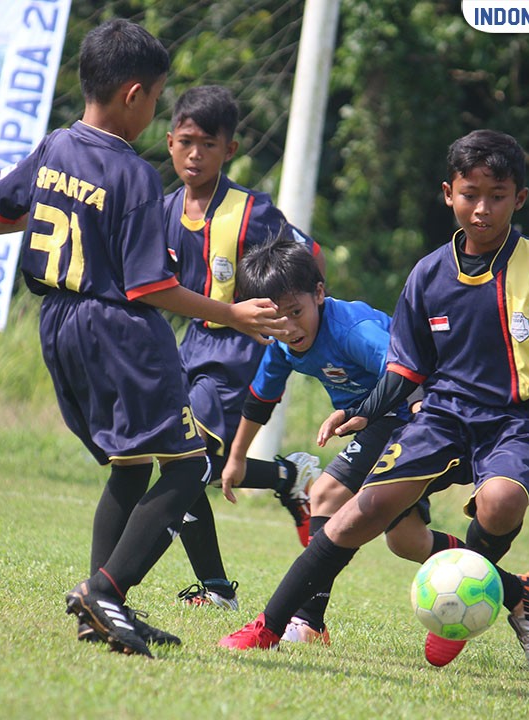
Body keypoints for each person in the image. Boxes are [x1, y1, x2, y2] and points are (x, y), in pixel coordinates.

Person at [220, 129, 529, 669]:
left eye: (497, 195)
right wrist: (364, 409)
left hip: (520, 421)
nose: (482, 208)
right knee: (352, 517)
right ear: (448, 193)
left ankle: (467, 601)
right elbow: (407, 368)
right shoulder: (428, 275)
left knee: (501, 502)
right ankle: (269, 628)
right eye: (470, 194)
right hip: (442, 416)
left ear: (519, 199)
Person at [0, 18, 286, 658]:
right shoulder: (135, 176)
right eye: (155, 101)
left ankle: (104, 601)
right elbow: (150, 288)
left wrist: (67, 219)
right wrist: (234, 315)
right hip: (119, 330)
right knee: (187, 466)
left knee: (130, 465)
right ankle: (105, 592)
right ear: (134, 95)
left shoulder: (55, 146)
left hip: (59, 325)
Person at [221, 233, 468, 644]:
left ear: (319, 293)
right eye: (275, 319)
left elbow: (405, 367)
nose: (287, 326)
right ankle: (515, 587)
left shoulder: (354, 329)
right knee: (407, 541)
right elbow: (262, 396)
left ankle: (308, 622)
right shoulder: (284, 343)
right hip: (378, 421)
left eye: (295, 312)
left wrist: (424, 408)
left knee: (326, 493)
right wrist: (237, 458)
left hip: (410, 413)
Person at [160, 85, 324, 611]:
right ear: (169, 142)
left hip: (237, 356)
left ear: (229, 150)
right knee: (182, 464)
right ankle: (285, 477)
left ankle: (215, 588)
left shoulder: (252, 212)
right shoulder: (164, 210)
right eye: (186, 141)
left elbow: (308, 257)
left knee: (188, 463)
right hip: (190, 350)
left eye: (208, 144)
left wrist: (288, 319)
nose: (195, 154)